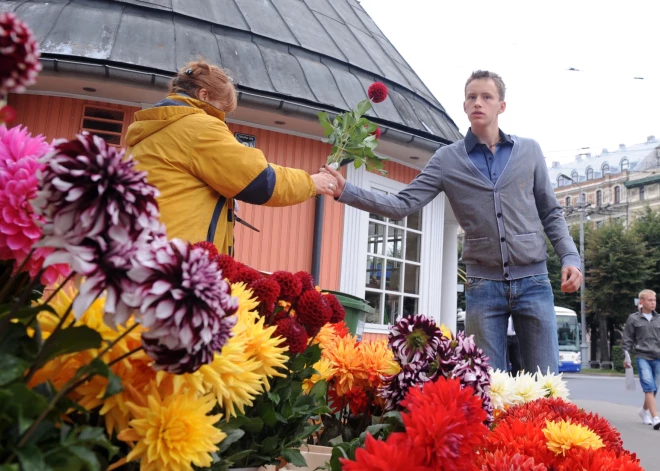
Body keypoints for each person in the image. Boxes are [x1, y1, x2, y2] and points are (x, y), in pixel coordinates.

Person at [324, 70, 581, 373]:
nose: (478, 103)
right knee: (487, 386)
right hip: (483, 287)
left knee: (545, 382)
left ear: (502, 106)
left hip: (534, 281)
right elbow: (402, 204)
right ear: (464, 105)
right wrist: (346, 191)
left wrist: (570, 256)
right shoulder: (447, 159)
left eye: (487, 97)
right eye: (471, 97)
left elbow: (550, 212)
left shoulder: (530, 151)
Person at [126, 60, 337, 255]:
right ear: (204, 95)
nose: (222, 116)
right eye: (221, 108)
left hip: (144, 249)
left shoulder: (153, 129)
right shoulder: (200, 127)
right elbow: (261, 181)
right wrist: (311, 183)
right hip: (179, 261)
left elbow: (176, 185)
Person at [622, 289, 660, 429]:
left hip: (657, 357)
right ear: (642, 302)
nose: (653, 303)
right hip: (642, 356)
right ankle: (655, 417)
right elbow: (627, 339)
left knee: (654, 388)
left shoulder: (658, 318)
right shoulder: (633, 319)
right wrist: (626, 357)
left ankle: (643, 411)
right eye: (650, 300)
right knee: (648, 386)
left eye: (654, 300)